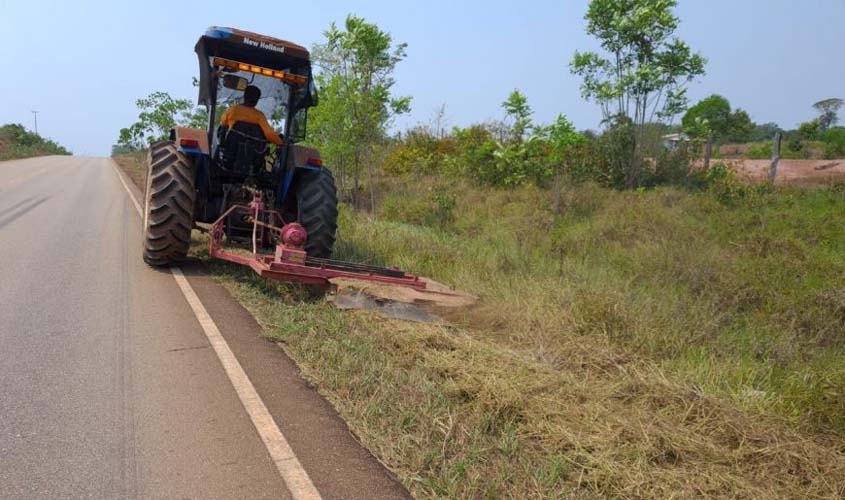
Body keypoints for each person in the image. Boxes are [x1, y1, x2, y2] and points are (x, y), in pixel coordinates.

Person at [219, 85, 283, 146]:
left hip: (230, 149)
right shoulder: (259, 116)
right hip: (252, 154)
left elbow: (223, 124)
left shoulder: (232, 110)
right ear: (256, 100)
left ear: (244, 96)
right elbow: (269, 134)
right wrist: (281, 143)